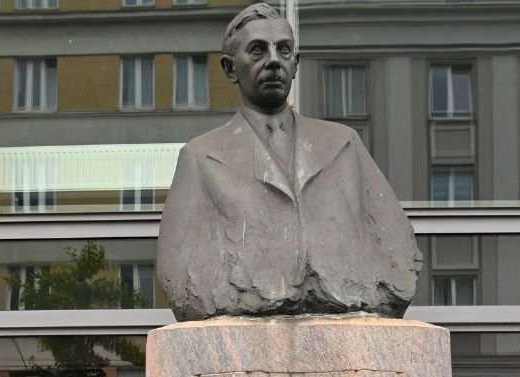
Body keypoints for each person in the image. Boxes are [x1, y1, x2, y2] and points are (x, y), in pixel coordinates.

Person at [157, 3, 419, 321]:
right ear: (229, 69)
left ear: (295, 63)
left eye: (283, 50)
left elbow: (396, 252)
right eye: (257, 51)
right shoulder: (200, 157)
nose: (273, 61)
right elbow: (178, 270)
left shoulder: (344, 144)